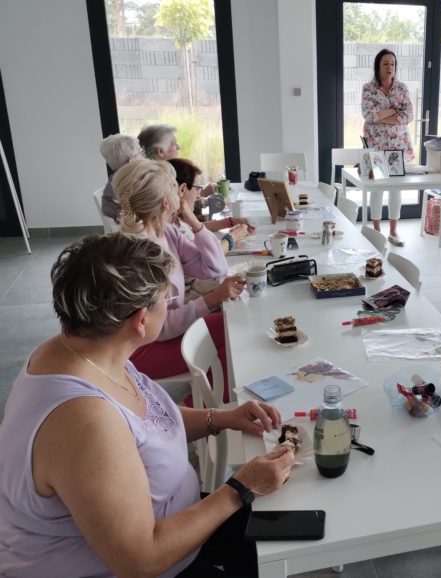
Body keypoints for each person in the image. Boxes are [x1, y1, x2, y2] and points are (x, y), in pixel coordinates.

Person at [0, 233, 295, 577]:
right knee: (270, 532)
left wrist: (224, 418)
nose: (171, 307)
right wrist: (241, 487)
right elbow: (141, 559)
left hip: (174, 521)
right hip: (145, 560)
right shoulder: (83, 420)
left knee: (282, 529)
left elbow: (148, 421)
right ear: (140, 321)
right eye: (166, 302)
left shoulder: (85, 349)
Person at [114, 158, 245, 398]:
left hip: (155, 333)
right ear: (166, 201)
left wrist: (194, 223)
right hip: (139, 348)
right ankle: (205, 410)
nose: (182, 192)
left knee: (228, 323)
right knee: (231, 330)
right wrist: (214, 297)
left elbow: (214, 267)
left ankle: (204, 403)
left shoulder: (165, 230)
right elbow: (160, 328)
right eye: (176, 187)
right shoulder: (143, 254)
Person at [361, 48, 414, 246]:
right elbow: (368, 114)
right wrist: (394, 111)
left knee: (396, 189)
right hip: (375, 146)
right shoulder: (369, 88)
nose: (389, 67)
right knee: (377, 189)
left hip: (397, 146)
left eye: (392, 64)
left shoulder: (402, 88)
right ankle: (377, 232)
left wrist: (384, 115)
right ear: (378, 66)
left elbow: (408, 115)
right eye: (385, 64)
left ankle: (393, 231)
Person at [168, 157, 254, 256]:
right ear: (182, 189)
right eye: (197, 188)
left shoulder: (176, 217)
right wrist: (232, 238)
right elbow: (210, 257)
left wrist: (230, 222)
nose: (199, 195)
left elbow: (196, 229)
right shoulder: (172, 227)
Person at [98, 133, 144, 224]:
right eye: (140, 152)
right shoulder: (122, 188)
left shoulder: (125, 179)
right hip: (133, 232)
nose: (143, 154)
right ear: (132, 160)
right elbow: (132, 220)